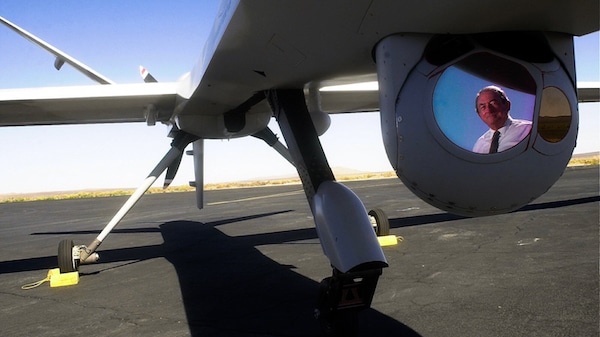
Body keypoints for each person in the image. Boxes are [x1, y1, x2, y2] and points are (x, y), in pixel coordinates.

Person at [472, 86, 532, 154]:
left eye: (493, 103)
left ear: (507, 105)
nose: (488, 110)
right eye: (483, 107)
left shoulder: (529, 129)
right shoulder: (479, 145)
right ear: (479, 114)